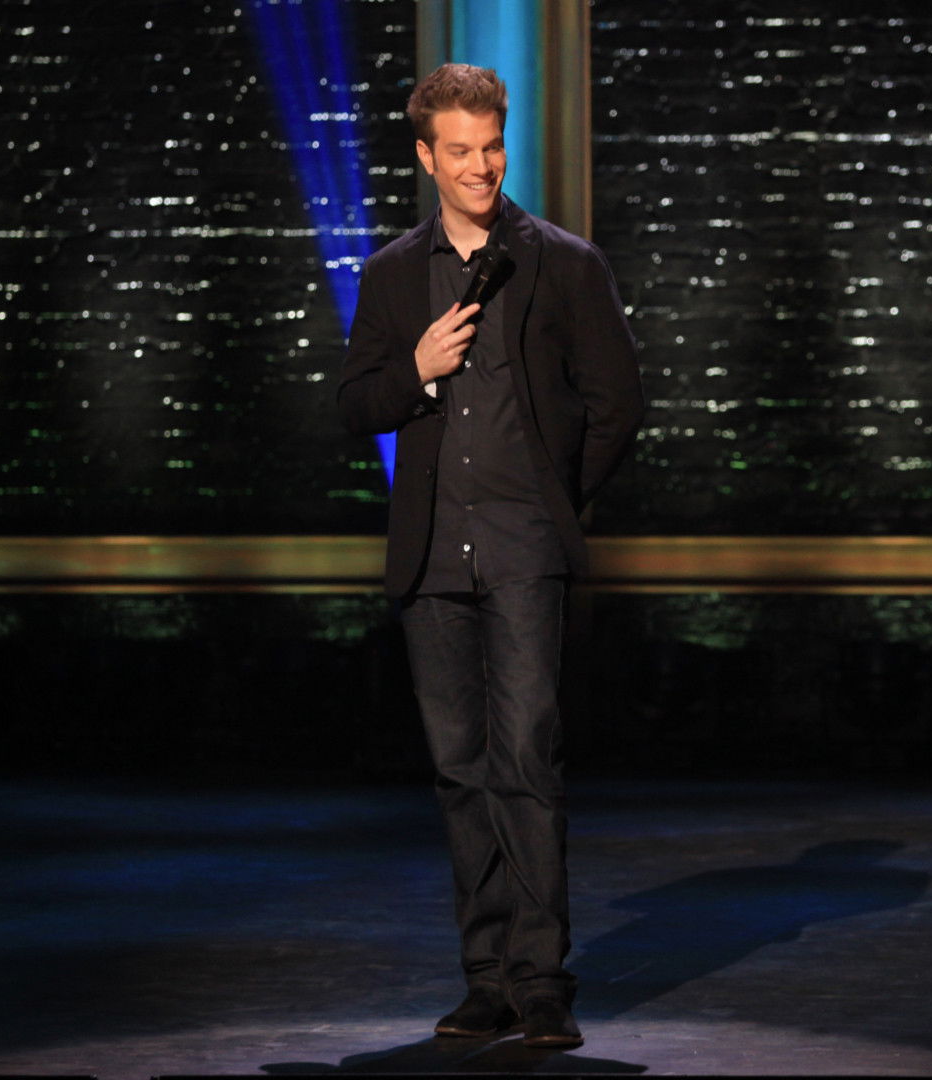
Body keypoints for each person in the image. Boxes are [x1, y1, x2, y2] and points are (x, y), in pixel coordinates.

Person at [336, 62, 643, 1050]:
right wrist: (416, 372)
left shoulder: (566, 264)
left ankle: (543, 982)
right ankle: (488, 980)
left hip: (521, 548)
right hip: (431, 555)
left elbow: (617, 404)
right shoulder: (392, 274)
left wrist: (554, 501)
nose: (480, 166)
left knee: (526, 761)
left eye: (492, 147)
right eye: (459, 151)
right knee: (460, 772)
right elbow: (355, 403)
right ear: (427, 157)